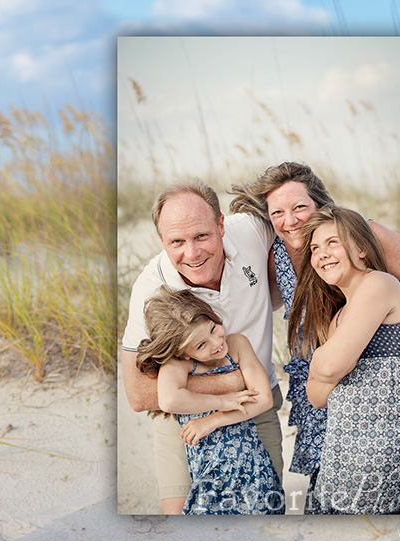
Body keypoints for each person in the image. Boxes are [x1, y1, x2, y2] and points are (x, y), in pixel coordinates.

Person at [228, 161, 400, 508]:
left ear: (321, 205)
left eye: (299, 208)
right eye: (277, 212)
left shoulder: (361, 235)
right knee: (324, 485)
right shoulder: (274, 255)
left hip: (362, 373)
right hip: (315, 376)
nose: (289, 220)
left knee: (354, 489)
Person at [120, 178, 282, 515]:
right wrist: (239, 380)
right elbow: (137, 395)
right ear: (162, 241)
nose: (191, 253)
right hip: (183, 417)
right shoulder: (151, 290)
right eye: (176, 241)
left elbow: (317, 222)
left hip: (255, 407)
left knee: (266, 518)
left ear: (221, 225)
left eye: (202, 236)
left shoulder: (252, 230)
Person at [294, 206, 400, 514]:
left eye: (333, 242)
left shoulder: (379, 284)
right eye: (315, 248)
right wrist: (327, 366)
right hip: (342, 451)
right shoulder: (339, 316)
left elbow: (328, 368)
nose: (322, 253)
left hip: (378, 454)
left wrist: (323, 364)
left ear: (362, 248)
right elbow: (316, 396)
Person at [136, 287, 284, 515]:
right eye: (201, 345)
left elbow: (263, 399)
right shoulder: (179, 365)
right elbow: (169, 400)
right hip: (210, 477)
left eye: (213, 329)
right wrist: (223, 402)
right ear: (182, 353)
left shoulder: (236, 346)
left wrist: (213, 420)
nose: (216, 343)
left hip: (254, 468)